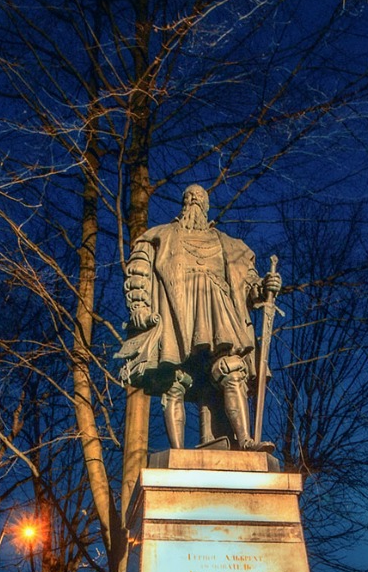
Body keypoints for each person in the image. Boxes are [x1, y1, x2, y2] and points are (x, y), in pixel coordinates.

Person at [116, 184, 280, 450]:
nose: (194, 201)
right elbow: (138, 273)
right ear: (184, 203)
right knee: (174, 380)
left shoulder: (230, 245)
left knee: (231, 369)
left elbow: (249, 285)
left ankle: (245, 441)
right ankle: (178, 455)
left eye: (199, 198)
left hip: (220, 312)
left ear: (206, 207)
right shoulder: (158, 236)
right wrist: (139, 307)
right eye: (190, 197)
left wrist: (265, 286)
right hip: (174, 314)